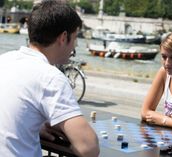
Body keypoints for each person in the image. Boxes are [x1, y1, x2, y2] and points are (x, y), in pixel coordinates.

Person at [0, 1, 99, 157]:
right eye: (74, 39)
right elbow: (89, 148)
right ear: (63, 37)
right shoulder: (50, 77)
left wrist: (34, 126)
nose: (74, 47)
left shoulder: (4, 60)